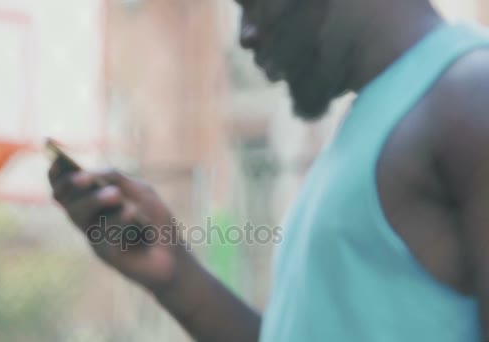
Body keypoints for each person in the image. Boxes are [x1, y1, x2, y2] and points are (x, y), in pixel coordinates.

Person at [49, 0, 489, 340]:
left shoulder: (469, 98)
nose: (245, 35)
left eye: (253, 3)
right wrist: (175, 275)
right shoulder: (374, 121)